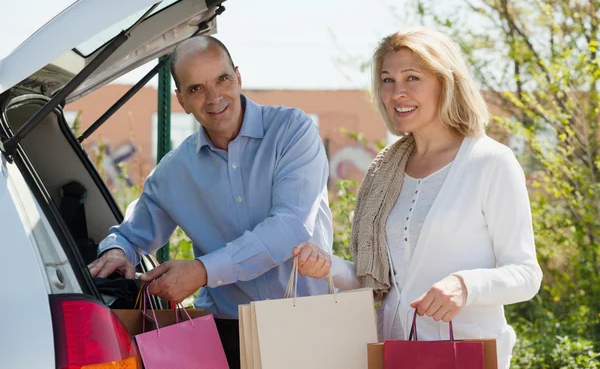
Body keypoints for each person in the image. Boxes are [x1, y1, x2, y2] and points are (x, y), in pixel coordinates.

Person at [293, 27, 542, 369]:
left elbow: (526, 274)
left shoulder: (490, 162)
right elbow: (385, 283)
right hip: (394, 353)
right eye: (388, 80)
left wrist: (465, 285)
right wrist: (327, 266)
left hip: (464, 355)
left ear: (446, 82)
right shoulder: (386, 171)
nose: (397, 93)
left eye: (412, 78)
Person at [87, 35, 333, 368]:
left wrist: (203, 271)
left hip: (309, 327)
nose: (215, 97)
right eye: (196, 88)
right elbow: (130, 235)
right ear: (181, 100)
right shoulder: (174, 171)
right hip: (226, 338)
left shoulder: (292, 131)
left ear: (238, 77)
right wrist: (117, 250)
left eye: (222, 79)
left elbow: (290, 227)